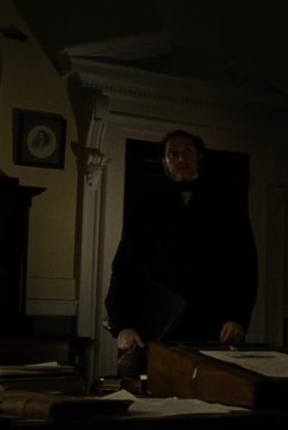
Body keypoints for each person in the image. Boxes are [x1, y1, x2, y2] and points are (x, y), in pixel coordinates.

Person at [104, 130, 258, 375]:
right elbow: (124, 265)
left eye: (188, 151)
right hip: (158, 323)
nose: (181, 159)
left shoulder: (226, 202)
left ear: (199, 156)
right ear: (164, 161)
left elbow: (245, 264)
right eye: (173, 154)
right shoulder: (146, 203)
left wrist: (238, 316)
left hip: (213, 322)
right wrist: (123, 323)